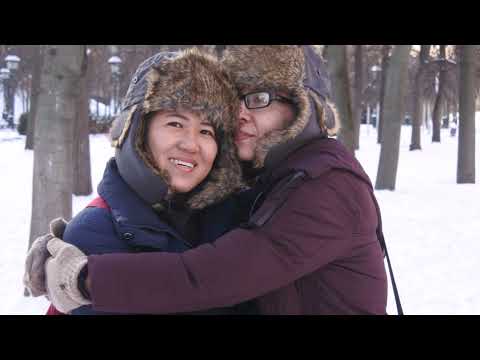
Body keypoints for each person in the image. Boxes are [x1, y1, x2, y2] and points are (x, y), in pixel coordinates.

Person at [26, 45, 390, 315]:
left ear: (304, 107)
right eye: (236, 101)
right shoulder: (265, 183)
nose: (241, 115)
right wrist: (76, 235)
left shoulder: (326, 186)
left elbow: (215, 275)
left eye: (259, 98)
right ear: (137, 131)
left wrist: (84, 278)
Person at [24, 47, 245, 314]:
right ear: (138, 132)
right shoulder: (93, 235)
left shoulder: (234, 221)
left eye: (206, 131)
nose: (191, 144)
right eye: (175, 123)